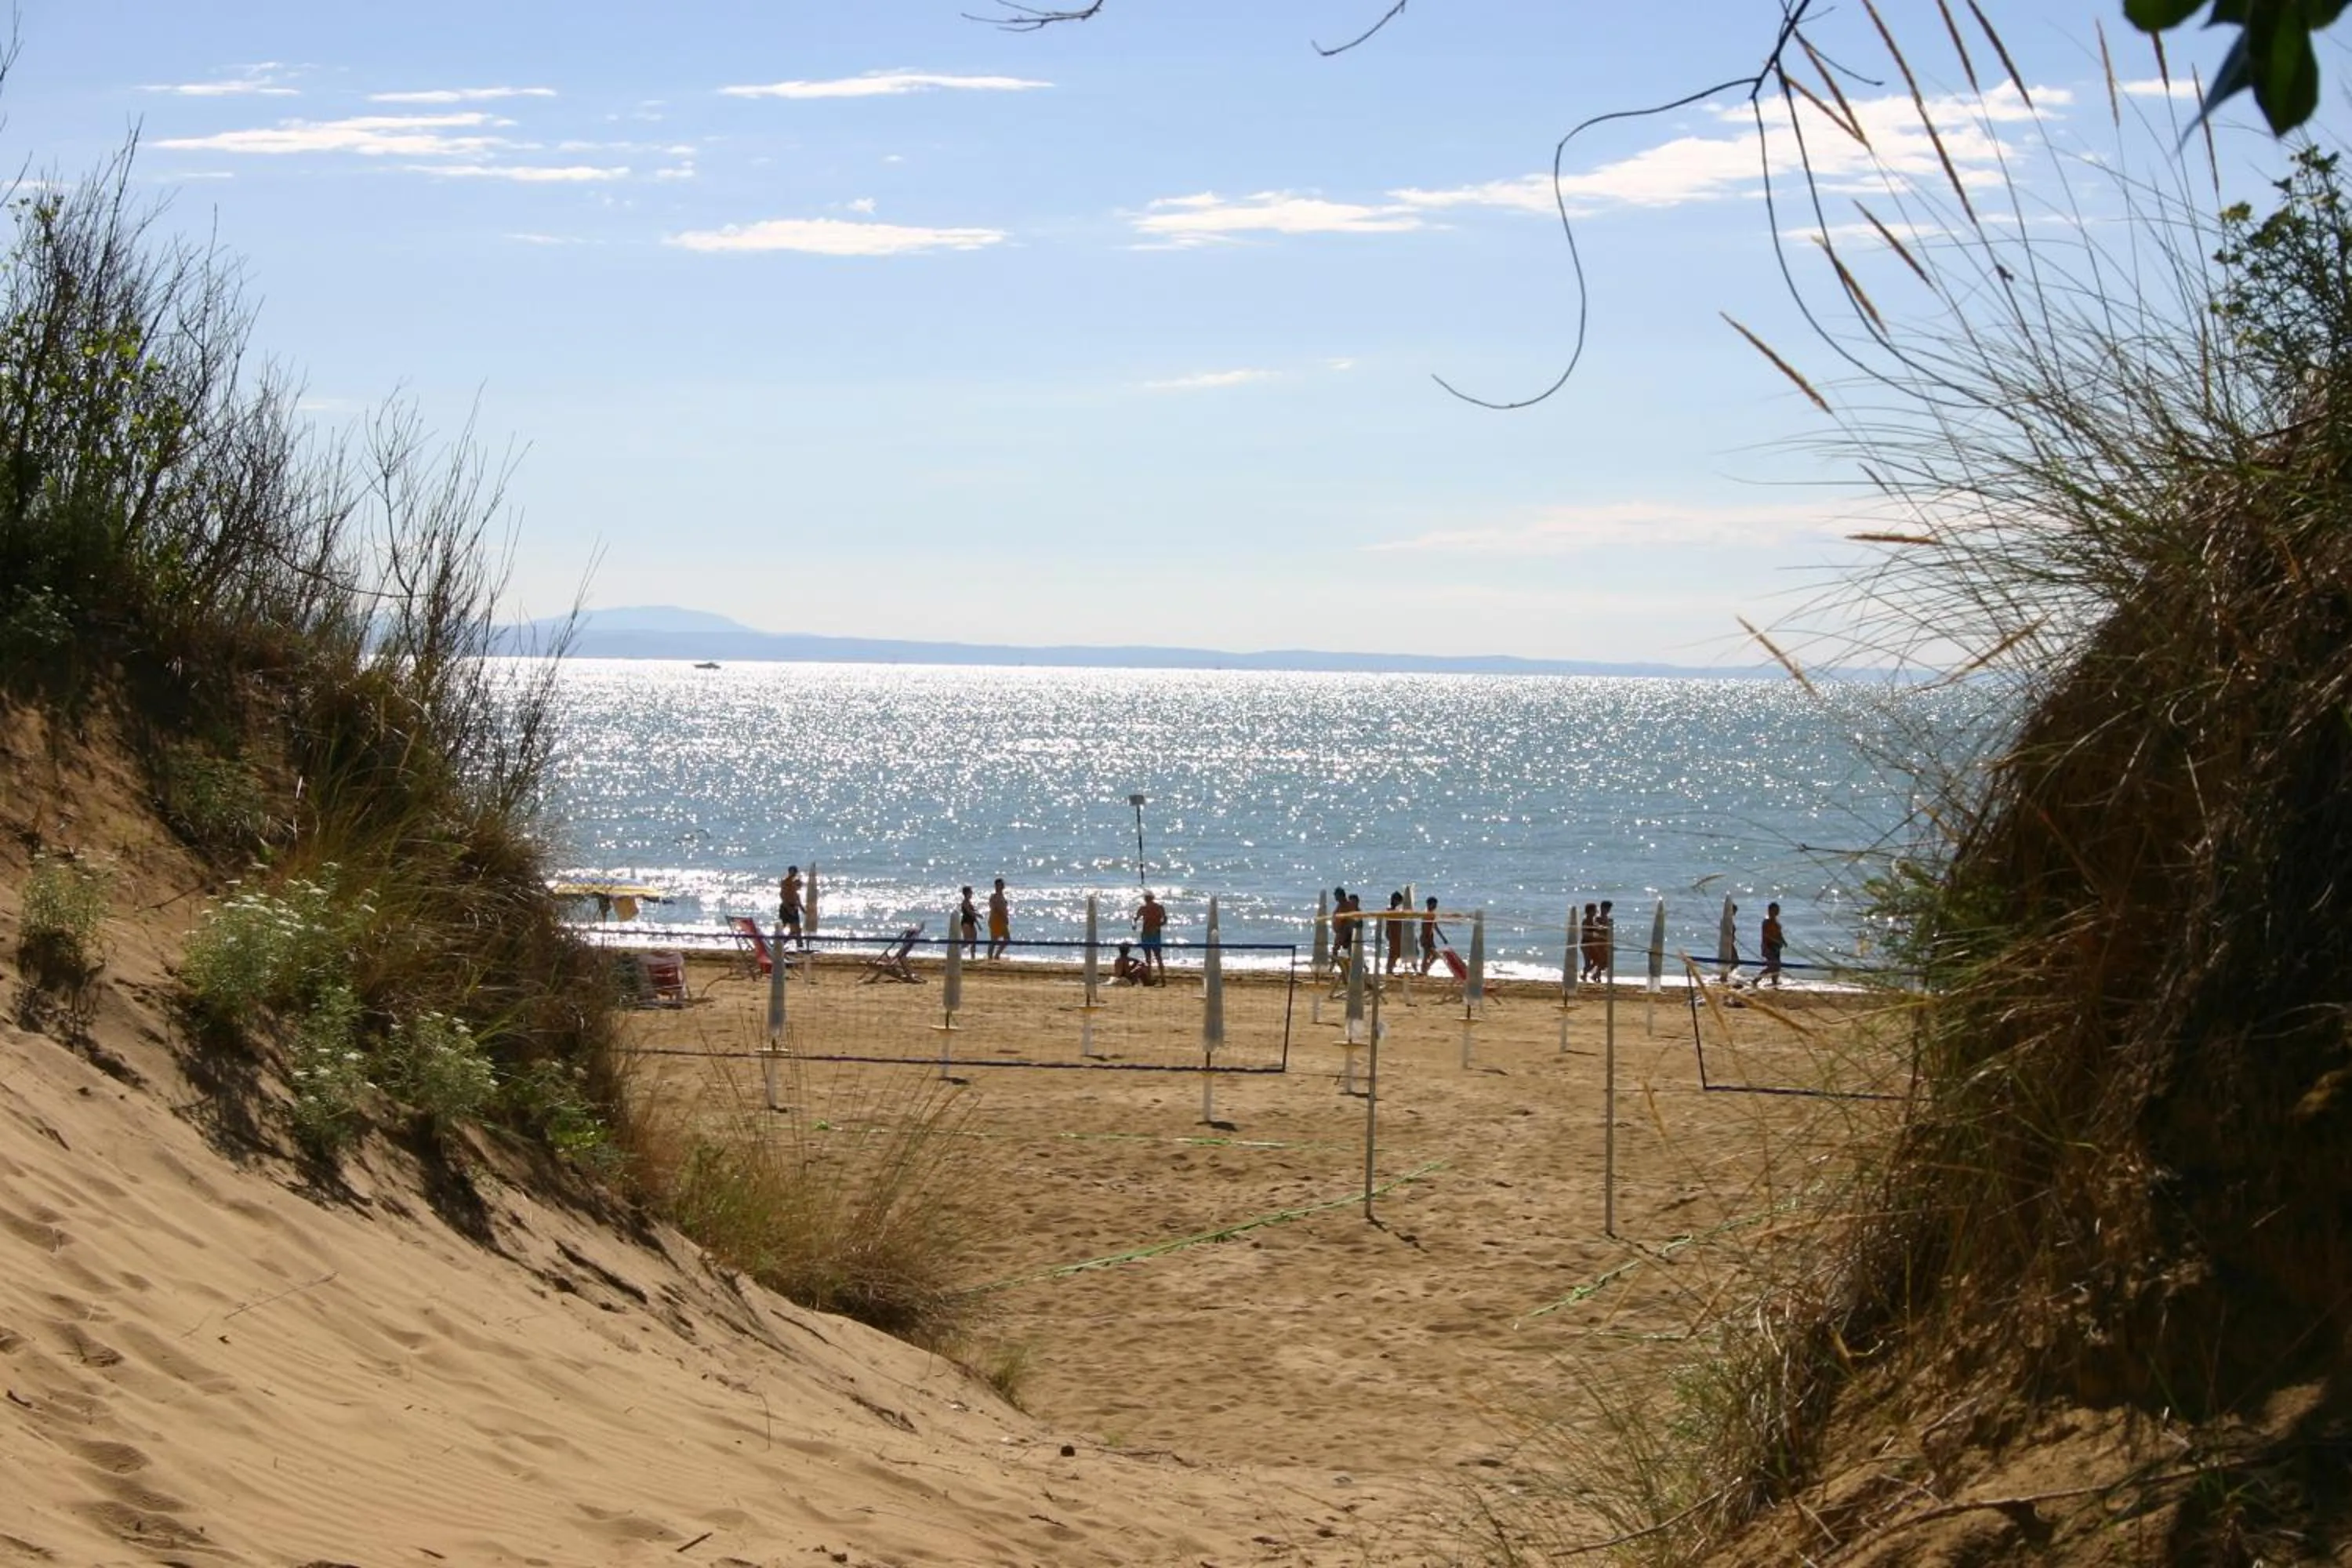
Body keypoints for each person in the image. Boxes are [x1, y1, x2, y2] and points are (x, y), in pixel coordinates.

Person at [1133, 889, 1167, 981]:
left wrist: (1134, 925)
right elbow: (1165, 920)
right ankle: (1161, 977)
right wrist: (1158, 926)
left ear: (1145, 899)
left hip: (1147, 933)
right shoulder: (1158, 907)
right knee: (1158, 956)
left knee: (1149, 957)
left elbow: (1135, 919)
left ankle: (1151, 977)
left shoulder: (1144, 908)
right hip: (1154, 933)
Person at [1760, 902, 1785, 989]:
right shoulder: (1767, 922)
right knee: (1773, 965)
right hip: (1768, 946)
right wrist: (1776, 941)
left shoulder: (1777, 923)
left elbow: (1779, 934)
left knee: (1777, 966)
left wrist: (1783, 941)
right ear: (1770, 911)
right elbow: (1766, 935)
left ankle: (1774, 982)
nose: (1777, 912)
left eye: (1778, 910)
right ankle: (1756, 979)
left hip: (1776, 947)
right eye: (1775, 910)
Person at [986, 877, 1011, 960]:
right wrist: (1004, 917)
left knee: (1007, 939)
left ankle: (997, 955)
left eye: (1003, 884)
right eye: (1001, 884)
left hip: (1002, 920)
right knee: (994, 939)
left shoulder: (1002, 896)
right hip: (996, 920)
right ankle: (990, 956)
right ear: (996, 886)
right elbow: (995, 908)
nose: (1002, 886)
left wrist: (1005, 916)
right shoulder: (994, 896)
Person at [1383, 891, 1408, 975]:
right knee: (1394, 953)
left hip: (1396, 933)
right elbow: (1391, 922)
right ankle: (1389, 969)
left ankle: (1390, 968)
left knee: (1396, 952)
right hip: (1394, 933)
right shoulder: (1391, 909)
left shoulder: (1394, 910)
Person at [777, 866, 803, 944]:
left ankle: (799, 946)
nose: (795, 874)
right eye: (793, 872)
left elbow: (797, 900)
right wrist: (788, 908)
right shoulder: (786, 882)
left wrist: (805, 911)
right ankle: (779, 942)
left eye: (796, 872)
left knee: (797, 930)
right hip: (787, 907)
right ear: (790, 872)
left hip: (793, 907)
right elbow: (782, 895)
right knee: (783, 927)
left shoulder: (792, 883)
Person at [1418, 895, 1442, 975]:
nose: (1435, 906)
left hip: (1429, 937)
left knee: (1430, 956)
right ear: (1429, 904)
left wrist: (1442, 937)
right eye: (1434, 905)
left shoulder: (1432, 914)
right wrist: (1427, 939)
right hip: (1426, 937)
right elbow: (1425, 928)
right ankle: (1424, 970)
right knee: (1430, 956)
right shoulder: (1426, 914)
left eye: (1436, 905)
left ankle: (1424, 970)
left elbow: (1435, 926)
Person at [1330, 885, 1354, 963]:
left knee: (1337, 950)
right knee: (1336, 949)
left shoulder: (1347, 905)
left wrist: (1346, 931)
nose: (1335, 897)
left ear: (1340, 895)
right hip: (1340, 931)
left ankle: (1332, 966)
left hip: (1345, 931)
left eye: (1336, 895)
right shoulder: (1340, 905)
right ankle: (1333, 966)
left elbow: (1350, 920)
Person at [1579, 902, 1601, 982]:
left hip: (1591, 944)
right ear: (1590, 911)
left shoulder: (1593, 920)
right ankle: (1583, 975)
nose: (1596, 911)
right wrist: (1593, 934)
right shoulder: (1586, 920)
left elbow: (1596, 926)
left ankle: (1584, 974)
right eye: (1595, 910)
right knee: (1588, 962)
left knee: (1597, 960)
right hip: (1586, 944)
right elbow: (1585, 932)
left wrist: (1600, 928)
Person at [1595, 900, 1615, 984]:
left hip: (1607, 942)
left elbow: (1611, 932)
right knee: (1601, 960)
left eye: (1609, 909)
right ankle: (1597, 975)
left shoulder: (1609, 919)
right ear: (1602, 908)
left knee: (1606, 962)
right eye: (1607, 908)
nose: (1608, 910)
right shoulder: (1597, 918)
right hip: (1599, 941)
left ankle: (1596, 974)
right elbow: (1595, 928)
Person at [957, 885, 980, 958]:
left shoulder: (969, 902)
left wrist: (978, 924)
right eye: (971, 892)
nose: (972, 894)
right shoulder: (965, 902)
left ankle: (973, 957)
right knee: (967, 941)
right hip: (966, 923)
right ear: (967, 893)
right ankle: (955, 951)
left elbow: (972, 915)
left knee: (974, 940)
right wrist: (978, 914)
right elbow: (969, 912)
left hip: (972, 922)